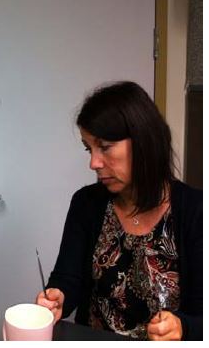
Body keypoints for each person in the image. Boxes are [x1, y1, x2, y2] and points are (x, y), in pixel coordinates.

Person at [36, 81, 202, 340]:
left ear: (143, 141)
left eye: (104, 147)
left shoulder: (195, 211)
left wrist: (183, 327)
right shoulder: (85, 204)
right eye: (88, 148)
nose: (93, 162)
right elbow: (68, 279)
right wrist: (58, 298)